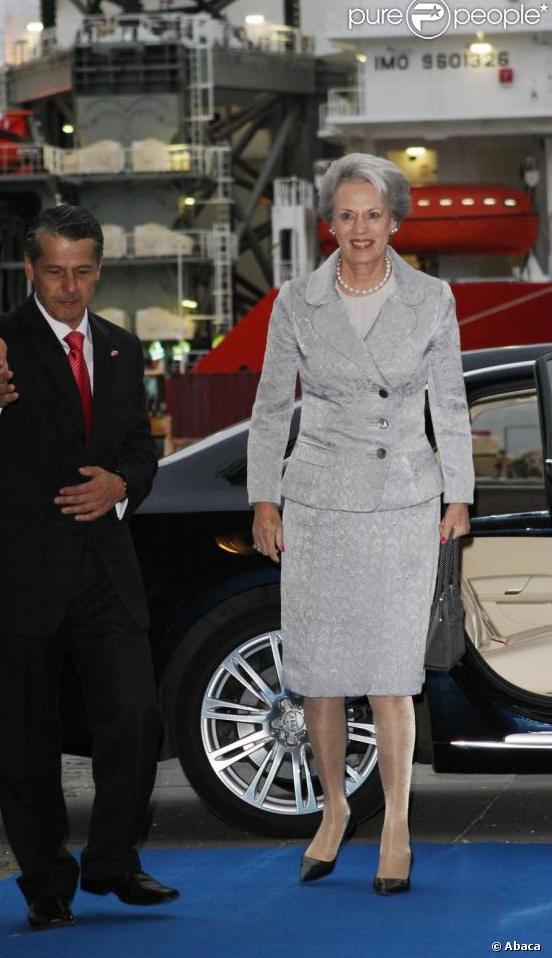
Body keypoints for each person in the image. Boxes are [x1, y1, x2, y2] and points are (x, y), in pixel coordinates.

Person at [0, 205, 179, 930]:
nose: (69, 286)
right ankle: (46, 881)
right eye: (55, 271)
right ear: (30, 270)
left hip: (102, 567)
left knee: (137, 715)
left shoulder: (119, 348)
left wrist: (122, 484)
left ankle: (112, 860)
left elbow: (140, 446)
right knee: (24, 739)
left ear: (99, 270)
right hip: (18, 571)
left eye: (82, 271)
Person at [247, 153, 474, 894]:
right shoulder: (297, 301)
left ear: (395, 220)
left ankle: (399, 823)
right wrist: (264, 498)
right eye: (346, 215)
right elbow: (271, 406)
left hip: (403, 497)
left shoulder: (431, 297)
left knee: (388, 676)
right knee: (319, 675)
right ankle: (337, 809)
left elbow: (451, 404)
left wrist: (459, 494)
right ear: (329, 223)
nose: (360, 228)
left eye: (372, 214)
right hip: (317, 500)